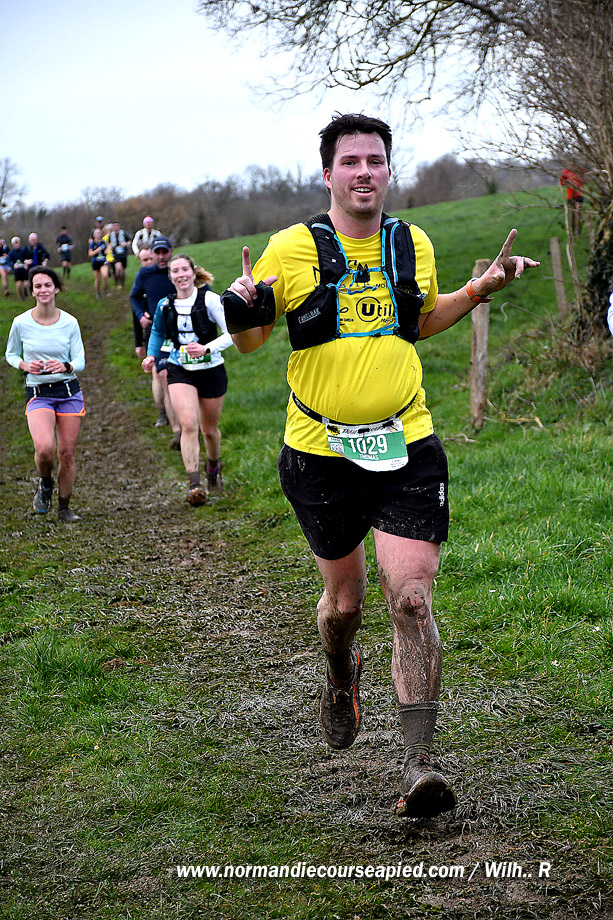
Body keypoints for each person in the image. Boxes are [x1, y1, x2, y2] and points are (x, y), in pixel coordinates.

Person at [222, 113, 540, 820]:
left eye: (375, 161)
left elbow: (416, 321)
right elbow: (251, 343)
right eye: (351, 161)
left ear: (389, 171)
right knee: (344, 606)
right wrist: (242, 306)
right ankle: (340, 670)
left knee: (412, 599)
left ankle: (419, 763)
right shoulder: (292, 247)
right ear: (327, 174)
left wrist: (478, 289)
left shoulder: (410, 242)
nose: (364, 172)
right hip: (319, 452)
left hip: (406, 443)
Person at [142, 254, 232, 504]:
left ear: (193, 273)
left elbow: (231, 333)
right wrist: (151, 355)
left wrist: (206, 348)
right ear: (170, 276)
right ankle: (194, 486)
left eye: (184, 270)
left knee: (209, 430)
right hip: (179, 368)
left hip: (211, 369)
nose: (180, 275)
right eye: (175, 271)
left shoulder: (210, 300)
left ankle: (213, 467)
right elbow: (157, 332)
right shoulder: (165, 305)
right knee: (189, 425)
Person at [5, 266, 86, 522]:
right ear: (32, 291)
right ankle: (45, 482)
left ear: (56, 288)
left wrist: (66, 366)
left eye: (48, 285)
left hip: (68, 391)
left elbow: (80, 360)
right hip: (38, 392)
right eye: (38, 286)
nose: (43, 290)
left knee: (67, 453)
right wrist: (24, 365)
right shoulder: (21, 323)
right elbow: (10, 354)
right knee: (45, 449)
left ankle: (64, 508)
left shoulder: (70, 322)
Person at [130, 237, 181, 444]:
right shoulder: (145, 274)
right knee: (163, 376)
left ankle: (185, 418)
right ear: (152, 253)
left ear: (171, 251)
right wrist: (140, 315)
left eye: (164, 252)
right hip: (157, 332)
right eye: (157, 253)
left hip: (183, 331)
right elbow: (134, 297)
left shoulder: (178, 271)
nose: (161, 257)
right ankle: (173, 426)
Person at [133, 247, 154, 358]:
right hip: (150, 331)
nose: (149, 262)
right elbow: (136, 312)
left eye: (151, 259)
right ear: (140, 261)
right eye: (145, 260)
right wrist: (138, 344)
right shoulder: (140, 280)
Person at [104, 221, 131, 289]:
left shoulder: (123, 233)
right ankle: (117, 282)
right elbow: (108, 244)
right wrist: (108, 249)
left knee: (122, 270)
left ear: (119, 227)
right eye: (114, 226)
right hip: (115, 255)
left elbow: (129, 242)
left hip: (123, 255)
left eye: (117, 226)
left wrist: (125, 244)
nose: (115, 228)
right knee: (118, 268)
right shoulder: (110, 235)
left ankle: (122, 283)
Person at [559, 167, 584, 237]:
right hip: (570, 196)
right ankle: (572, 231)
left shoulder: (580, 169)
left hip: (579, 195)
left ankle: (578, 230)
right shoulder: (565, 171)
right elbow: (562, 182)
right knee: (572, 214)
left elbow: (584, 179)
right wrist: (566, 181)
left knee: (578, 212)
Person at [89, 228, 109, 298]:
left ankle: (105, 289)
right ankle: (98, 292)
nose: (98, 234)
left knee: (105, 275)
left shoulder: (103, 242)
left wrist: (107, 250)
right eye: (96, 233)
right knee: (97, 279)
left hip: (103, 261)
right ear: (94, 235)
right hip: (95, 262)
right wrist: (97, 250)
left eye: (99, 233)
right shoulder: (92, 244)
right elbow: (90, 254)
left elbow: (108, 247)